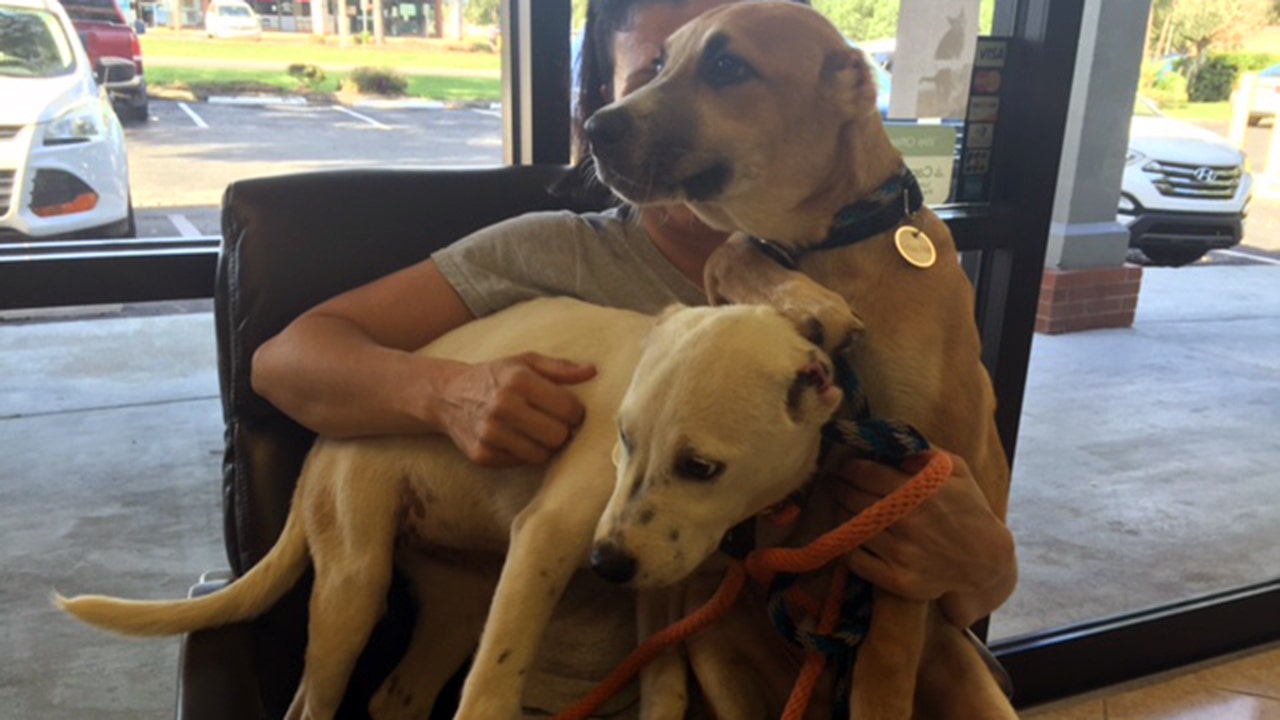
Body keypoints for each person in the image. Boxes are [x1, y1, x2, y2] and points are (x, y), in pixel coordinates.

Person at [252, 0, 1016, 714]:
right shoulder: (553, 251)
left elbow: (960, 571)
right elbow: (289, 360)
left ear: (836, 94)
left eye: (722, 72)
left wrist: (986, 566)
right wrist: (450, 393)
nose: (637, 114)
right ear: (598, 97)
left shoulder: (885, 300)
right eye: (650, 73)